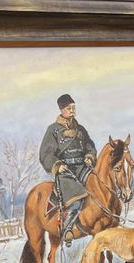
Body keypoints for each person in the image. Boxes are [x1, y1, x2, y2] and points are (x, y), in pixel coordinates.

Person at [39, 94, 97, 246]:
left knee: (99, 187)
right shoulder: (53, 130)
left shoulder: (81, 129)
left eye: (73, 107)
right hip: (65, 171)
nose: (72, 111)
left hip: (82, 167)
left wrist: (90, 156)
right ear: (61, 110)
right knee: (76, 197)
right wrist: (57, 166)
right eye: (68, 108)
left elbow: (90, 146)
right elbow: (45, 154)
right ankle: (68, 229)